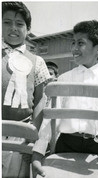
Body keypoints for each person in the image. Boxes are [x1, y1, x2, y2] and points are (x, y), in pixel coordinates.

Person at [32, 20, 98, 178]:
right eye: (73, 43)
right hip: (65, 144)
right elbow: (49, 120)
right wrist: (38, 152)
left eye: (80, 43)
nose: (74, 48)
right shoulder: (63, 80)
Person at [2, 2, 51, 177]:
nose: (13, 28)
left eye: (19, 24)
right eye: (7, 22)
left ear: (28, 29)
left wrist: (32, 133)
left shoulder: (37, 61)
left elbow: (39, 100)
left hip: (22, 133)